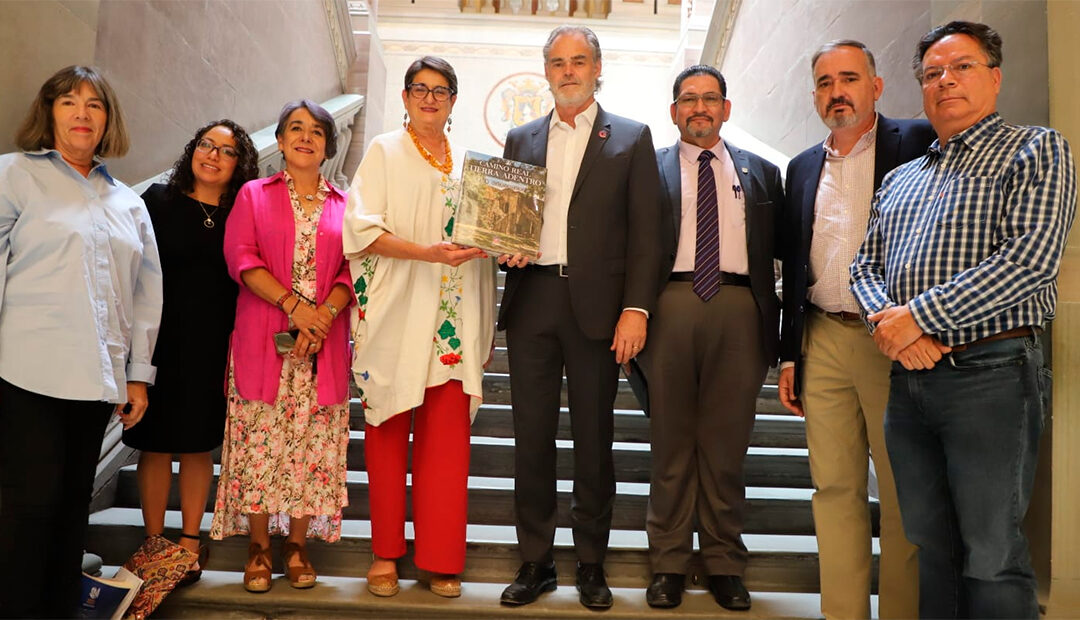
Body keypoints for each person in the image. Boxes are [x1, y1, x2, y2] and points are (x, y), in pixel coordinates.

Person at [850, 21, 1076, 618]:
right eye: (931, 73)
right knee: (933, 548)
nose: (944, 80)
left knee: (991, 552)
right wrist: (890, 328)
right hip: (910, 384)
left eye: (962, 67)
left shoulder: (1036, 149)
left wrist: (918, 319)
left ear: (994, 78)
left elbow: (1029, 262)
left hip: (992, 377)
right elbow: (863, 266)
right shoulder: (902, 178)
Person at [497, 25, 661, 610]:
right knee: (530, 440)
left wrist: (636, 308)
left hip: (598, 311)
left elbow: (648, 233)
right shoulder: (520, 138)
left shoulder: (633, 138)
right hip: (532, 301)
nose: (568, 71)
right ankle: (536, 560)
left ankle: (591, 562)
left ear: (597, 69)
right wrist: (505, 246)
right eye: (558, 62)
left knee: (595, 440)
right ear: (546, 71)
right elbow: (507, 221)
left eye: (579, 61)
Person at [0, 65, 163, 618]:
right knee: (27, 509)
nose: (82, 113)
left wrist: (138, 374)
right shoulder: (13, 176)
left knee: (73, 509)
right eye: (69, 101)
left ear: (107, 120)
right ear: (49, 111)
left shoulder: (128, 204)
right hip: (27, 371)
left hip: (96, 381)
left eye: (95, 105)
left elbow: (145, 296)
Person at [778, 40, 932, 619]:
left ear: (876, 84)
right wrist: (789, 353)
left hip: (892, 339)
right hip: (821, 339)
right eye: (824, 82)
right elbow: (794, 268)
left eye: (848, 78)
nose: (836, 92)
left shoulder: (916, 142)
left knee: (900, 494)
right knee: (834, 490)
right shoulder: (800, 167)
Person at [343, 56, 495, 599]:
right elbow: (360, 232)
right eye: (419, 89)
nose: (430, 98)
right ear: (406, 97)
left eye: (441, 90)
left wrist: (501, 258)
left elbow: (490, 242)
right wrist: (427, 254)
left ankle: (440, 557)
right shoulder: (384, 151)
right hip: (398, 314)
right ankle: (385, 553)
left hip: (456, 321)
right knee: (386, 438)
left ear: (454, 101)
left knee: (447, 448)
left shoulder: (471, 166)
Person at [639, 64, 784, 612]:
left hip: (740, 307)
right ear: (673, 110)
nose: (699, 107)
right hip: (669, 304)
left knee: (725, 445)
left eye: (710, 99)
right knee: (672, 443)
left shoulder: (764, 173)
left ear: (727, 108)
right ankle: (669, 563)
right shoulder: (646, 171)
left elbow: (786, 253)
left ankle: (723, 561)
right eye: (688, 99)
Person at [211, 100, 354, 593]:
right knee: (258, 444)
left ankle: (296, 546)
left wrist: (324, 316)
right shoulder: (254, 194)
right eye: (296, 128)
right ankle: (258, 547)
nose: (306, 137)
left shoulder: (345, 204)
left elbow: (350, 269)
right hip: (262, 343)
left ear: (328, 146)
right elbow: (241, 257)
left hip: (323, 348)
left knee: (311, 447)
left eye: (317, 131)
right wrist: (296, 307)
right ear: (280, 138)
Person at [121, 120, 259, 586]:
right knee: (156, 443)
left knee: (199, 444)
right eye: (206, 145)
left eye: (227, 150)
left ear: (240, 164)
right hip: (159, 340)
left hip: (216, 343)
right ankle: (154, 542)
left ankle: (189, 542)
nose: (214, 155)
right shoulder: (157, 201)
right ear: (192, 150)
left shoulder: (245, 211)